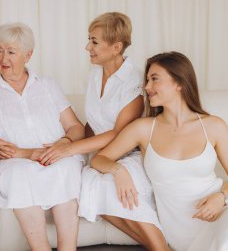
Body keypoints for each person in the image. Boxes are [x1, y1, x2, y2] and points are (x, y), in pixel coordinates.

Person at [37, 12, 167, 250]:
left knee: (108, 186)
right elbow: (93, 123)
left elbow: (119, 133)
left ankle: (161, 248)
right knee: (87, 188)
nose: (88, 47)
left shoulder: (135, 81)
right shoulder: (95, 74)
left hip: (130, 155)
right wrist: (64, 141)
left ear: (116, 47)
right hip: (99, 156)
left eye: (94, 41)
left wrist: (69, 149)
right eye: (89, 39)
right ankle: (156, 246)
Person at [92, 51, 228, 251]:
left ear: (179, 83)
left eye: (154, 79)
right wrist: (118, 171)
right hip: (180, 233)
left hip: (220, 215)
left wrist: (222, 198)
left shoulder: (213, 125)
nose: (147, 87)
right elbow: (99, 158)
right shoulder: (144, 128)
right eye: (147, 80)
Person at [0, 22, 85, 251]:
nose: (3, 58)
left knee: (65, 169)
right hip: (15, 161)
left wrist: (63, 144)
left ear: (28, 54)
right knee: (19, 176)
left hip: (56, 155)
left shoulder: (47, 85)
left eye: (11, 52)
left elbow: (75, 127)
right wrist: (25, 153)